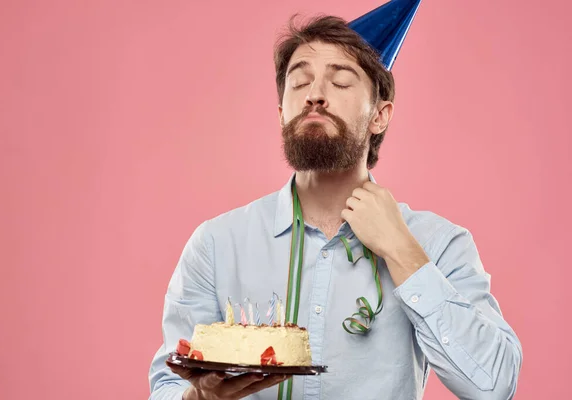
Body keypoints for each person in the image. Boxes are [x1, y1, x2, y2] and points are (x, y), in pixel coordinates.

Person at [148, 8, 522, 400]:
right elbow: (167, 389)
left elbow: (494, 386)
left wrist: (401, 251)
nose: (315, 95)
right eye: (299, 82)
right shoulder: (216, 245)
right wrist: (202, 396)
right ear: (281, 115)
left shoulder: (439, 243)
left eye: (341, 82)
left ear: (380, 116)